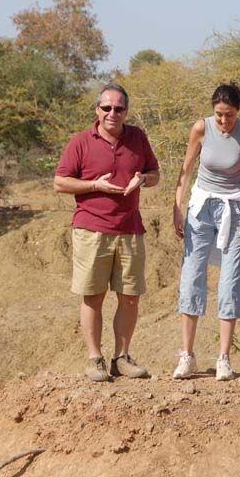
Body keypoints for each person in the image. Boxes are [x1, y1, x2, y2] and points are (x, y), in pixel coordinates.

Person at [54, 83, 160, 382]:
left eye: (119, 108)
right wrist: (94, 185)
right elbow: (61, 182)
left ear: (127, 110)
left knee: (130, 297)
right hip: (91, 229)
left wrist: (143, 180)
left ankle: (122, 358)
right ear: (97, 110)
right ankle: (94, 358)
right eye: (106, 108)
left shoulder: (137, 138)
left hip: (130, 228)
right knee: (93, 296)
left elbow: (155, 174)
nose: (112, 113)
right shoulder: (81, 142)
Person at [172, 83, 240, 381]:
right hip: (201, 207)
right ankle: (187, 355)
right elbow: (185, 171)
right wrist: (177, 206)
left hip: (235, 209)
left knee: (231, 278)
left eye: (230, 115)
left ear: (239, 110)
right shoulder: (201, 128)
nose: (224, 122)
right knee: (192, 274)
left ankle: (223, 357)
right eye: (219, 115)